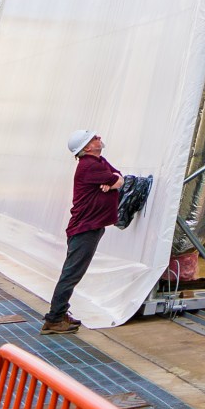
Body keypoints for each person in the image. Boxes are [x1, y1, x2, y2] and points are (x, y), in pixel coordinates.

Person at [43, 129, 121, 334]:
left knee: (73, 272)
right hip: (85, 228)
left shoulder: (99, 162)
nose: (99, 138)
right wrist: (112, 183)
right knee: (71, 273)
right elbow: (118, 181)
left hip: (91, 227)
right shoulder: (88, 166)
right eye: (94, 138)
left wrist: (113, 182)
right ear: (86, 148)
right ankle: (54, 318)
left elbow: (119, 177)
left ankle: (59, 314)